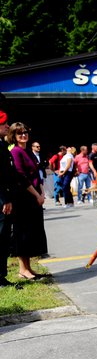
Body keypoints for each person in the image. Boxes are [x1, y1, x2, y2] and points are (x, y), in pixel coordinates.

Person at [8, 123, 48, 280]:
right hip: (24, 198)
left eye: (25, 132)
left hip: (35, 197)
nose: (23, 135)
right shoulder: (16, 151)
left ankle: (29, 268)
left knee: (32, 233)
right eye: (19, 133)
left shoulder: (29, 151)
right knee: (23, 233)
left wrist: (42, 193)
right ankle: (22, 269)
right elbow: (21, 177)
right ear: (14, 135)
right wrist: (36, 195)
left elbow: (37, 175)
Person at [0, 109, 19, 287]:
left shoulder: (2, 145)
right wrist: (4, 199)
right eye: (3, 123)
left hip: (5, 197)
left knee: (4, 236)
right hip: (1, 200)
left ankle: (1, 276)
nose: (7, 125)